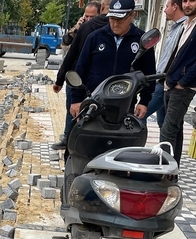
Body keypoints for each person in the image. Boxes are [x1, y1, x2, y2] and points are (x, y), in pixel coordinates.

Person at [70, 0, 156, 120]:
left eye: (120, 19)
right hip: (93, 104)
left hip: (125, 105)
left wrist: (144, 101)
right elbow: (80, 69)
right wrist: (76, 99)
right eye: (112, 19)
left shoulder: (142, 41)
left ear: (132, 15)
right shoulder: (95, 37)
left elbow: (149, 73)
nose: (115, 24)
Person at [160, 0, 196, 166]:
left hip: (183, 87)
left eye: (192, 0)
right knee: (175, 130)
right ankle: (172, 171)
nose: (187, 4)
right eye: (184, 1)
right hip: (171, 83)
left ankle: (163, 171)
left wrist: (183, 82)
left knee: (167, 130)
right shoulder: (187, 23)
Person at [51, 0, 109, 150]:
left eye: (92, 16)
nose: (89, 20)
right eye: (87, 16)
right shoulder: (82, 28)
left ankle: (80, 142)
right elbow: (67, 47)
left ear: (101, 11)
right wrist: (77, 27)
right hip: (74, 76)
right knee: (72, 108)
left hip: (91, 80)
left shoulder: (105, 30)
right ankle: (68, 138)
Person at [143, 0, 187, 128]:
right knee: (163, 124)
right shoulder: (175, 27)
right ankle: (166, 148)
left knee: (140, 115)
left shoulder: (185, 28)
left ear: (175, 7)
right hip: (161, 80)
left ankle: (138, 146)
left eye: (167, 6)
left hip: (166, 82)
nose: (164, 9)